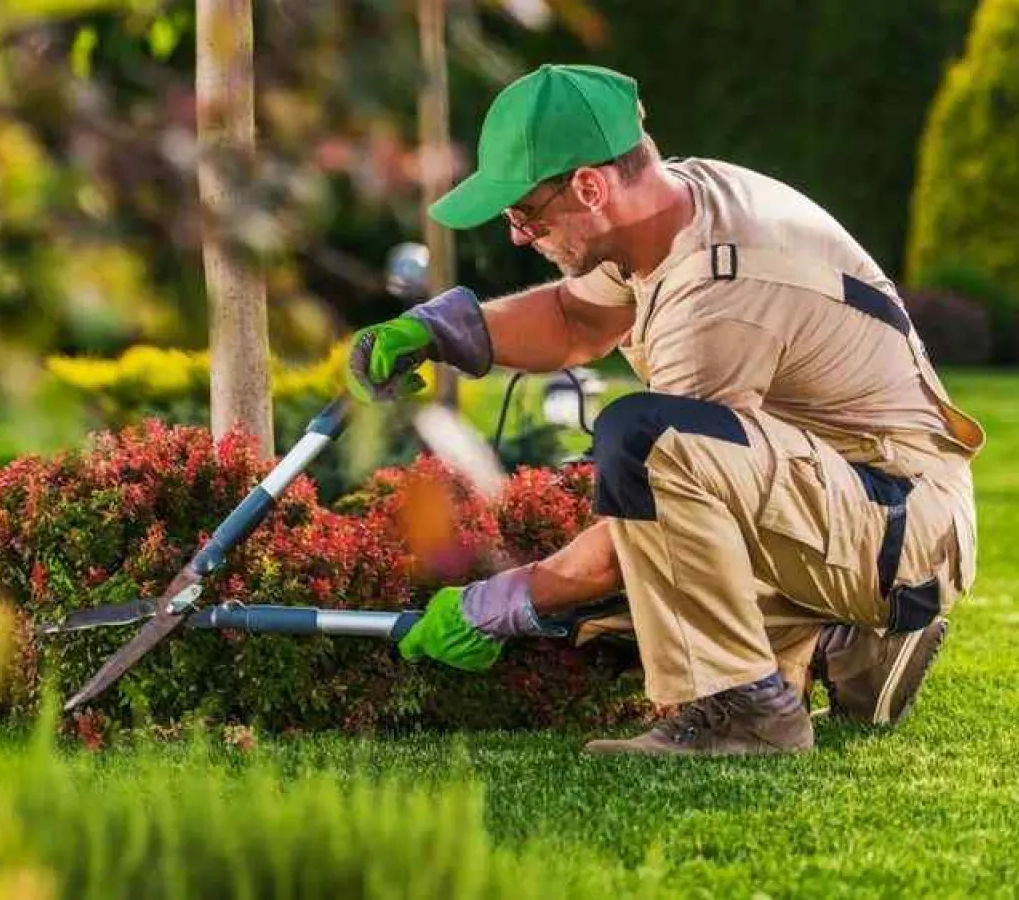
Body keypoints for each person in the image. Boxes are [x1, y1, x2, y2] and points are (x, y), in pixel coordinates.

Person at [347, 64, 984, 757]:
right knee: (629, 600)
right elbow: (575, 319)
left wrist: (496, 606)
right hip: (861, 494)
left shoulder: (719, 292)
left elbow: (641, 517)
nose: (518, 238)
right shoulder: (671, 207)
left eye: (523, 213)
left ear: (589, 186)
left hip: (899, 523)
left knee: (640, 454)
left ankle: (750, 711)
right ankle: (849, 644)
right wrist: (443, 331)